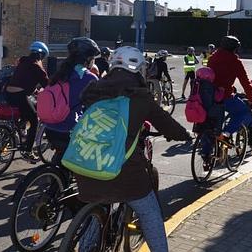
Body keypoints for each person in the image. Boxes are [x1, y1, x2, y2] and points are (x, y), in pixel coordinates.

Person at [75, 46, 191, 252]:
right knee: (150, 213)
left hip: (86, 165)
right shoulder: (140, 96)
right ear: (139, 69)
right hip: (123, 171)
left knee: (99, 202)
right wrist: (184, 135)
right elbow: (167, 124)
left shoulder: (94, 90)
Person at [43, 37, 100, 163]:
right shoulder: (89, 78)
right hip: (68, 131)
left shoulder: (61, 73)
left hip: (50, 128)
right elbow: (97, 107)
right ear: (88, 58)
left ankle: (56, 174)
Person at [207, 35, 252, 148]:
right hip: (224, 96)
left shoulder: (212, 58)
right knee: (242, 111)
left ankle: (207, 156)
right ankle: (226, 134)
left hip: (208, 96)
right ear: (234, 48)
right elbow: (245, 82)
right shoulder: (235, 62)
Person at [5, 41, 49, 162]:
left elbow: (24, 79)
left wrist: (34, 89)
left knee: (30, 107)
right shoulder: (37, 66)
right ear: (41, 55)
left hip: (9, 94)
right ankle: (28, 151)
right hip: (20, 95)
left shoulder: (23, 61)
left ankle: (21, 131)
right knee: (34, 119)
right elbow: (48, 84)